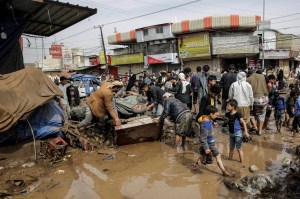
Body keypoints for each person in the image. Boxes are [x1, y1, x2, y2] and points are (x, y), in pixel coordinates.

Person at [194, 105, 230, 176]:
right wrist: (206, 148)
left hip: (206, 143)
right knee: (218, 155)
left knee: (202, 155)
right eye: (216, 114)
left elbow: (209, 121)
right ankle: (224, 172)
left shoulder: (205, 118)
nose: (216, 116)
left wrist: (213, 122)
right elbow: (203, 138)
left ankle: (195, 165)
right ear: (211, 114)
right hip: (209, 144)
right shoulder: (205, 125)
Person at [247, 70, 269, 136]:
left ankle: (255, 127)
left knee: (251, 114)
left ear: (249, 74)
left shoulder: (248, 79)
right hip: (264, 99)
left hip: (254, 99)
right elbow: (269, 85)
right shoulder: (263, 76)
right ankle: (259, 131)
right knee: (262, 115)